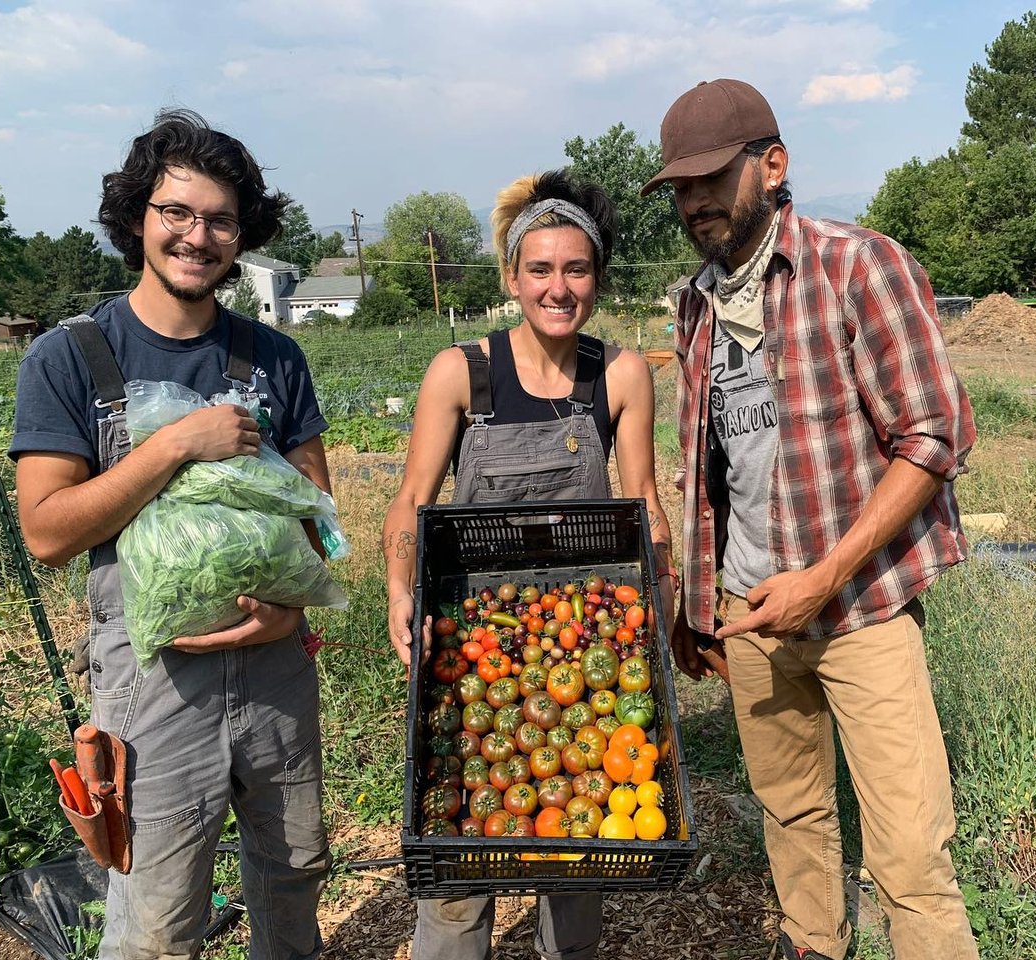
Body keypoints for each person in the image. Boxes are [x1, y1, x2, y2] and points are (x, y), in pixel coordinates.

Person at [641, 79, 980, 960]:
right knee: (791, 816)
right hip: (749, 615)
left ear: (774, 164)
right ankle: (812, 946)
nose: (696, 201)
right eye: (680, 187)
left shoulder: (856, 264)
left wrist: (823, 578)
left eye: (712, 178)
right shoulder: (696, 302)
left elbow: (936, 435)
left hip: (859, 612)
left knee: (909, 851)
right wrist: (694, 602)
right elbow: (707, 460)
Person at [11, 109, 332, 960]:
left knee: (294, 875)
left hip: (273, 676)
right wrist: (176, 444)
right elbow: (46, 531)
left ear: (242, 233)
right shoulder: (69, 357)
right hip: (152, 684)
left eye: (221, 219)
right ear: (137, 218)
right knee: (155, 920)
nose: (198, 236)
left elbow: (320, 522)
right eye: (176, 213)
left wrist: (287, 610)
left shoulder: (274, 358)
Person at [382, 169, 675, 960]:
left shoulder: (618, 375)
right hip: (469, 623)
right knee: (456, 842)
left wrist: (664, 603)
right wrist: (398, 590)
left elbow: (644, 498)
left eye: (576, 270)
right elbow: (413, 498)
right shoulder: (461, 373)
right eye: (539, 269)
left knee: (578, 858)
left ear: (597, 278)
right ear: (512, 278)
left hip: (586, 629)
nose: (558, 287)